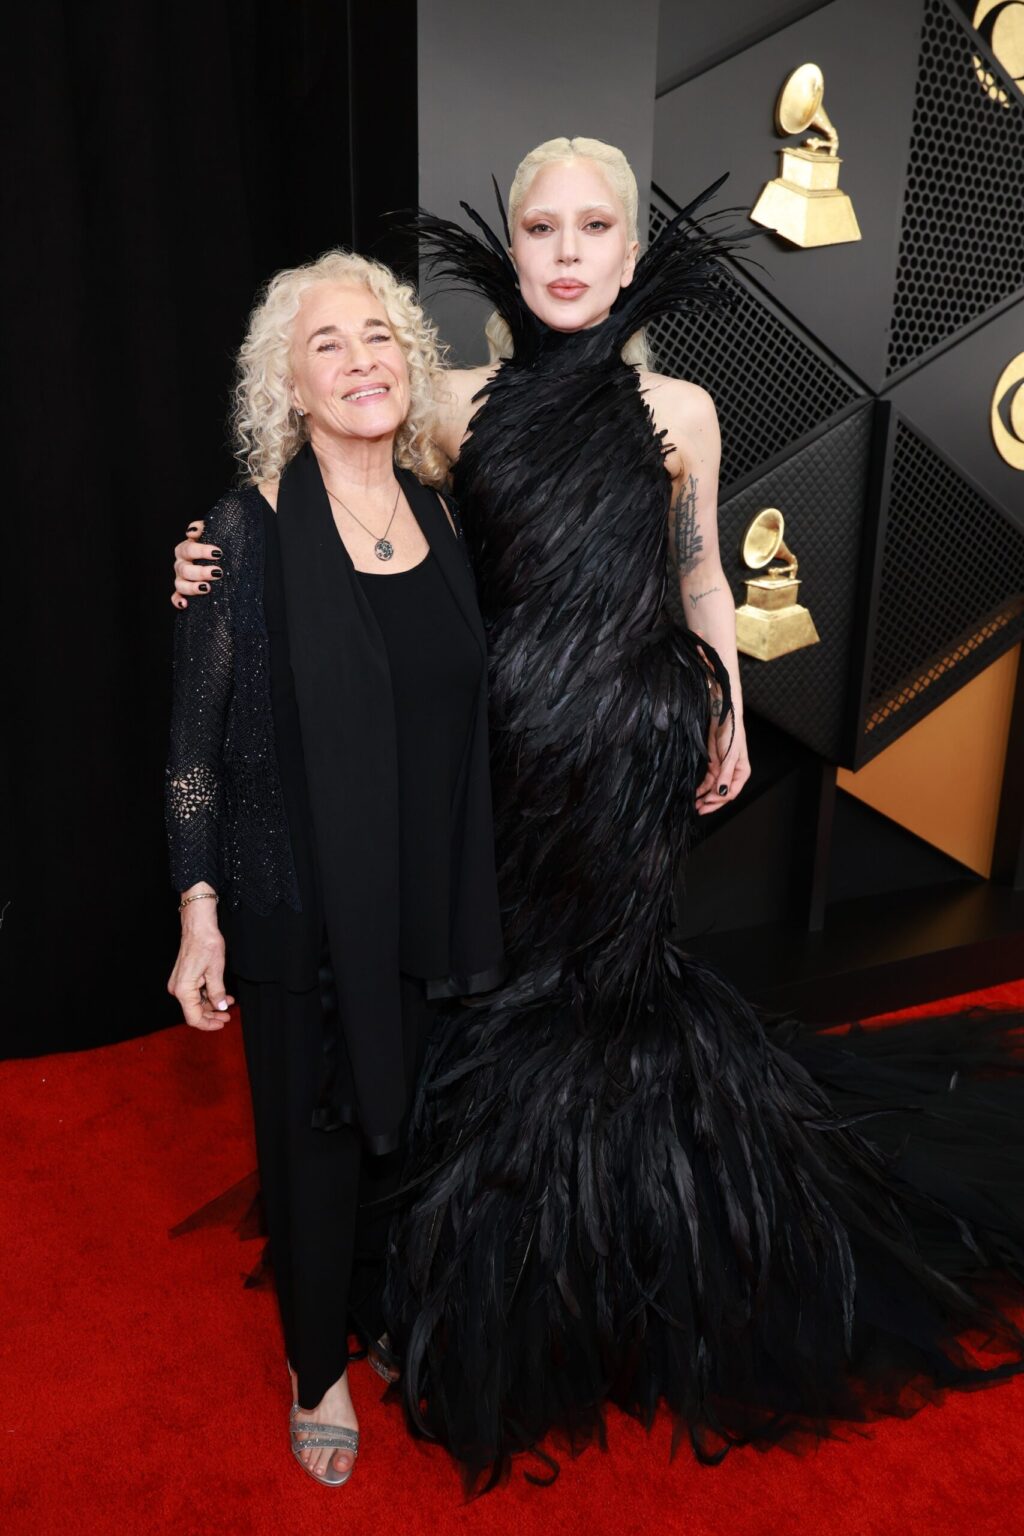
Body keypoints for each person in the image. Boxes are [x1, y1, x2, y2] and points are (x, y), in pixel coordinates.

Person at [171, 139, 1024, 1492]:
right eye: (542, 227)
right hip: (491, 774)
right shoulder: (448, 405)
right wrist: (216, 559)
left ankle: (617, 1274)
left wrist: (726, 705)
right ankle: (466, 1276)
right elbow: (348, 511)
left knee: (608, 1009)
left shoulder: (683, 413)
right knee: (483, 1012)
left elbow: (700, 578)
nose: (567, 252)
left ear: (630, 253)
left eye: (593, 228)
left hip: (626, 767)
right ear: (510, 250)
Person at [165, 249, 503, 1488]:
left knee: (414, 1130)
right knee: (314, 1145)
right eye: (328, 344)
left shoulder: (442, 511)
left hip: (429, 890)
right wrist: (199, 912)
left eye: (378, 338)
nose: (361, 361)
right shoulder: (239, 534)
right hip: (294, 899)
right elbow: (193, 749)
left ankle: (392, 1304)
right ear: (288, 385)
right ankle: (317, 1368)